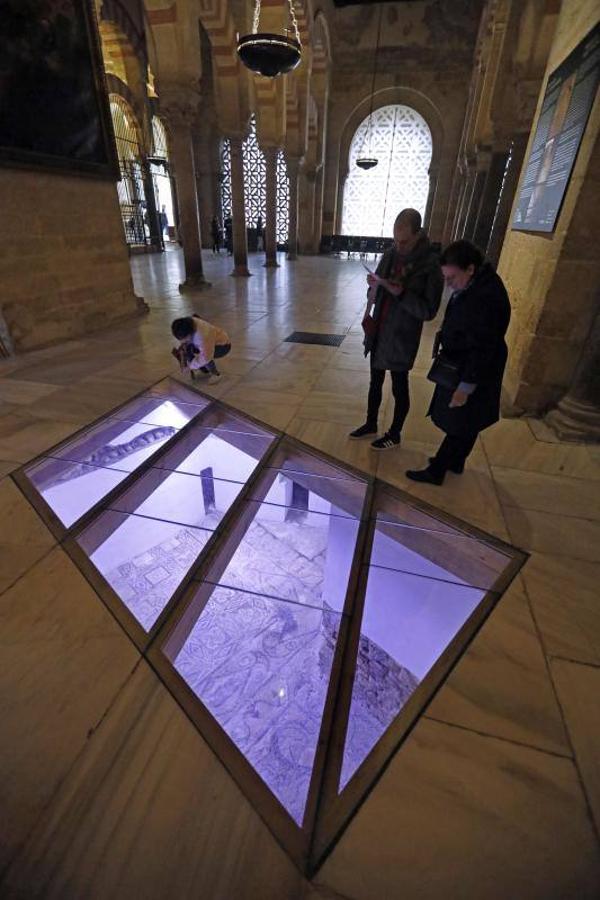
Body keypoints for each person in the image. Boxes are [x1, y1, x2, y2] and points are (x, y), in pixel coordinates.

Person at [406, 240, 511, 485]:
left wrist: (465, 386)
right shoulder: (477, 285)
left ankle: (437, 471)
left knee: (460, 419)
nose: (449, 284)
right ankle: (456, 461)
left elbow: (483, 346)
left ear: (470, 269)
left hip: (474, 368)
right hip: (467, 361)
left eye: (452, 277)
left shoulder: (486, 297)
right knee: (467, 419)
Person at [349, 208, 444, 450]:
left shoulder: (431, 265)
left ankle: (395, 433)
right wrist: (374, 285)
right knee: (375, 381)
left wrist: (401, 293)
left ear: (418, 234)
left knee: (399, 385)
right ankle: (371, 423)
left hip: (402, 336)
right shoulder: (391, 254)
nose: (399, 246)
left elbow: (428, 311)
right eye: (395, 240)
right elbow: (378, 286)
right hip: (379, 329)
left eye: (404, 241)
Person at [171, 315, 231, 385]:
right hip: (211, 340)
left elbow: (205, 357)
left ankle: (216, 374)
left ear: (189, 333)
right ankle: (203, 367)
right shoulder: (188, 322)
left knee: (205, 357)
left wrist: (190, 366)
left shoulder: (203, 337)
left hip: (223, 346)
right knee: (188, 347)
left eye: (184, 338)